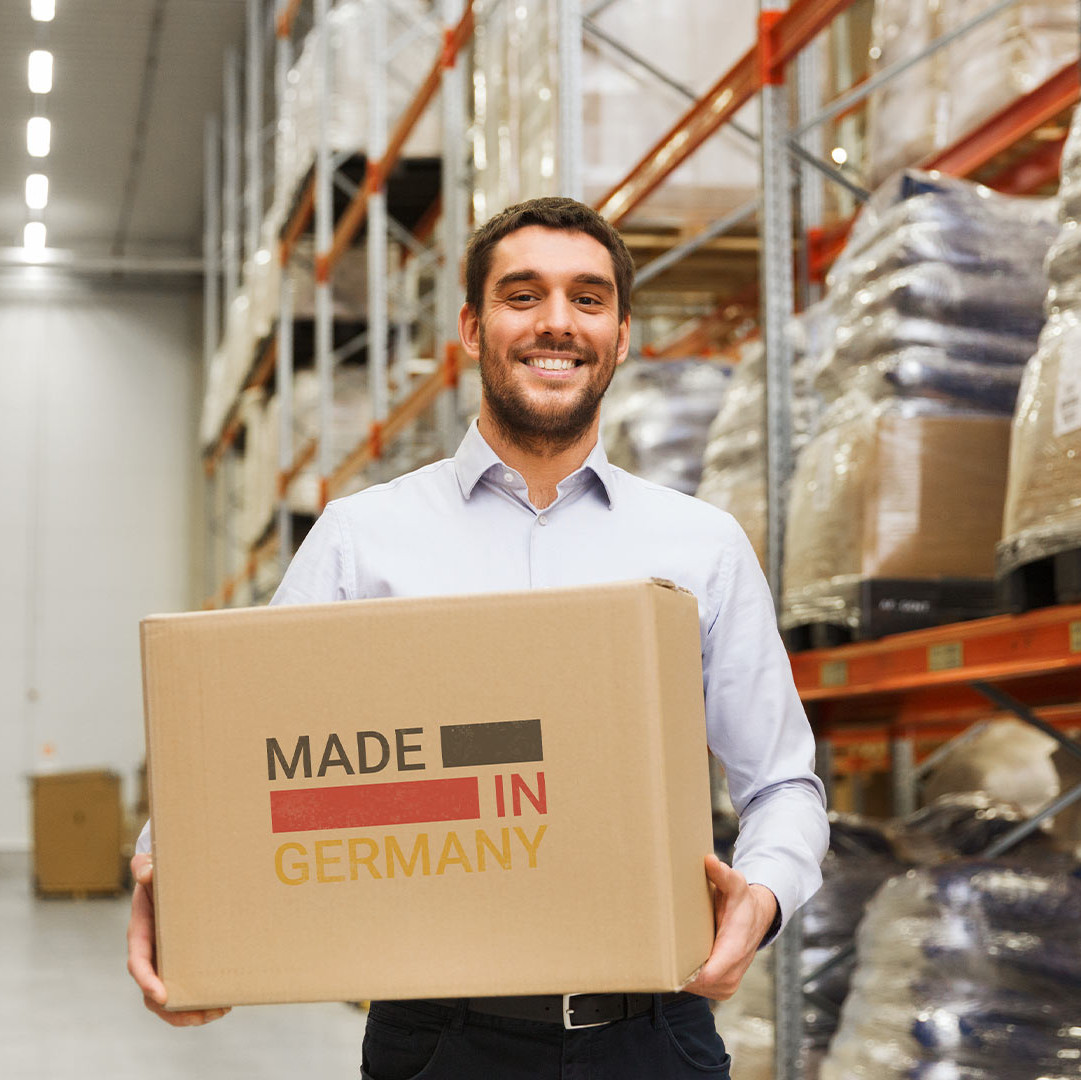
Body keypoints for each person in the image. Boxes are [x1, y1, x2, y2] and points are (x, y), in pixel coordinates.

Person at [127, 196, 828, 1078]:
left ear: (620, 336)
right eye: (522, 295)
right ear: (471, 326)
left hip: (653, 1036)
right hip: (440, 1040)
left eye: (588, 298)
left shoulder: (700, 545)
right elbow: (239, 756)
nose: (557, 324)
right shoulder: (362, 537)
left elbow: (783, 782)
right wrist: (173, 897)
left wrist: (757, 899)